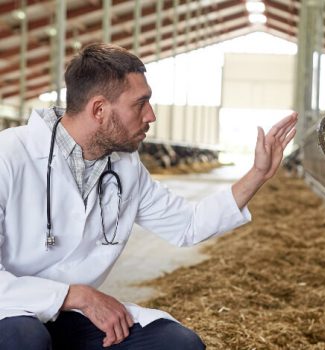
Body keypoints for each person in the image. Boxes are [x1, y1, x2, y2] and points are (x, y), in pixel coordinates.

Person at [0, 43, 298, 349]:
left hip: (73, 315)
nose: (151, 115)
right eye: (140, 103)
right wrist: (75, 295)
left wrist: (257, 174)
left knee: (177, 343)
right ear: (99, 110)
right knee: (24, 339)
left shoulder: (126, 167)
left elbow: (189, 224)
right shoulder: (9, 155)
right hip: (9, 309)